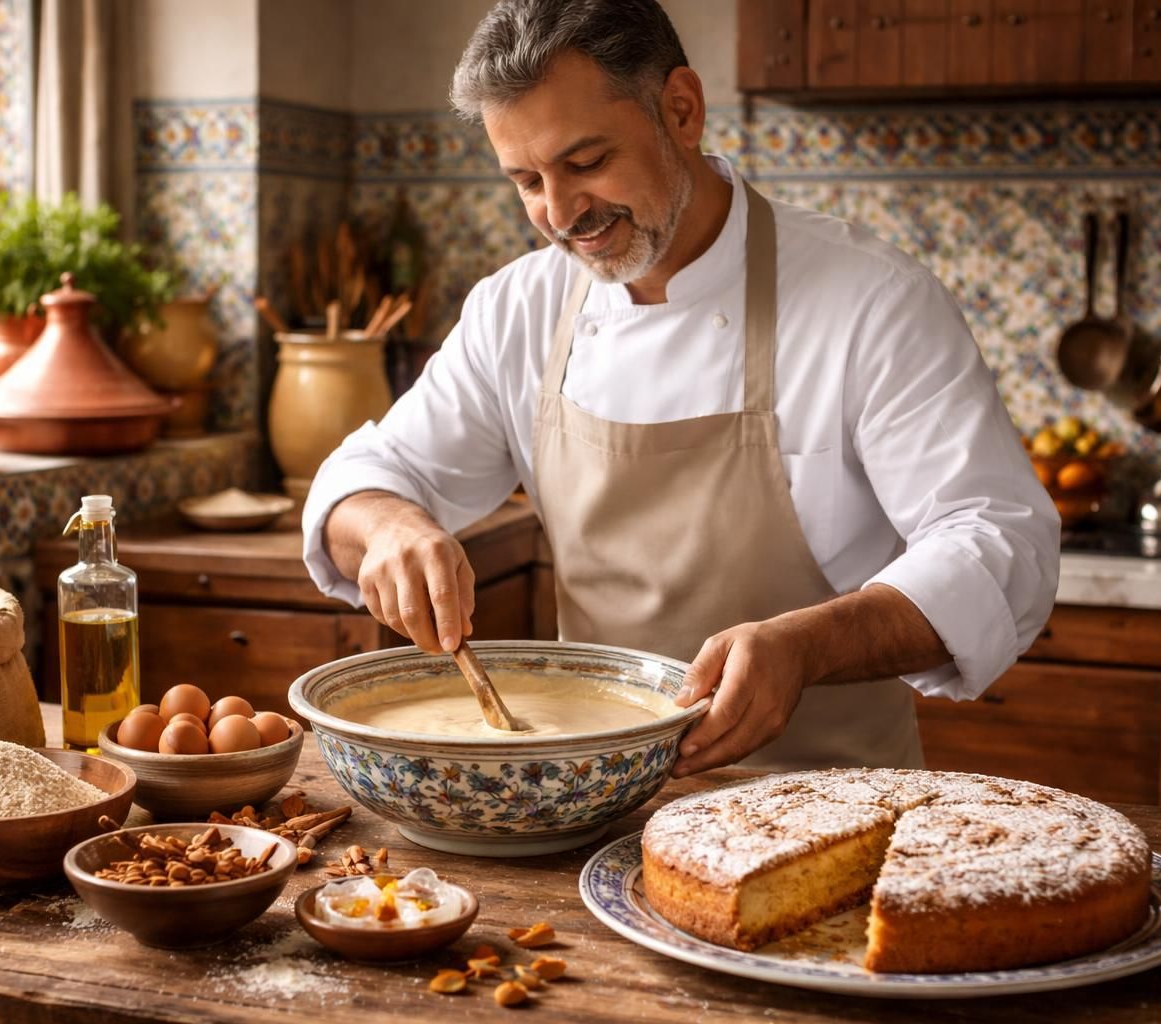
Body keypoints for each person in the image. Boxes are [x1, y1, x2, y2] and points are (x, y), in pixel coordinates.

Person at [301, 0, 1059, 777]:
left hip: (831, 812)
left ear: (682, 111)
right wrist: (390, 527)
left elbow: (1000, 542)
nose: (560, 215)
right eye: (527, 181)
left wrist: (807, 647)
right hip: (593, 813)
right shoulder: (517, 310)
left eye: (587, 163)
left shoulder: (870, 299)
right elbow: (364, 483)